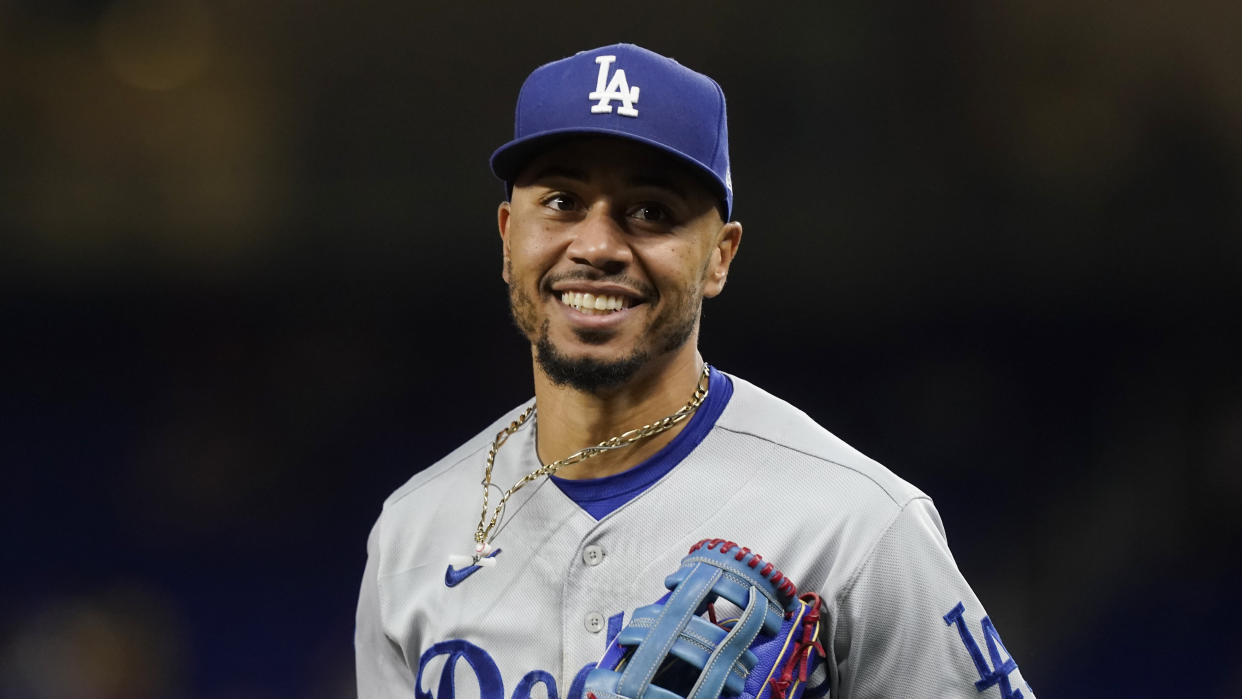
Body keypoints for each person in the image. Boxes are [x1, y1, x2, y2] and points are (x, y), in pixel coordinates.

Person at [356, 43, 1035, 699]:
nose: (595, 246)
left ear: (719, 257)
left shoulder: (856, 525)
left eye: (651, 212)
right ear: (508, 237)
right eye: (561, 202)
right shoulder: (413, 531)